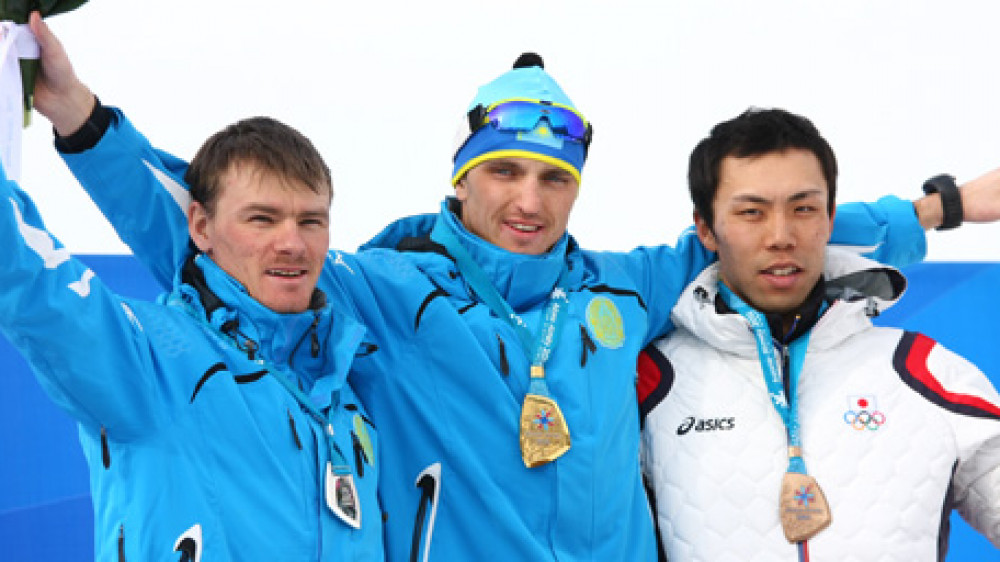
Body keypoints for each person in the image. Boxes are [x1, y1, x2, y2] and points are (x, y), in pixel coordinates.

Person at [28, 12, 1000, 560]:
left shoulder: (624, 290)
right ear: (462, 172)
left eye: (552, 178)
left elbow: (768, 224)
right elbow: (210, 231)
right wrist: (80, 122)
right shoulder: (382, 289)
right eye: (503, 170)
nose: (527, 200)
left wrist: (946, 205)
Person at [0, 115, 382, 560]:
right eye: (263, 219)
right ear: (200, 228)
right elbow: (29, 283)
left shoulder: (344, 390)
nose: (292, 243)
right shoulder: (151, 360)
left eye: (311, 221)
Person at [639, 108, 1000, 560]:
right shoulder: (648, 383)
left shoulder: (920, 368)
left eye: (804, 209)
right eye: (752, 212)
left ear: (830, 219)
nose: (781, 236)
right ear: (706, 229)